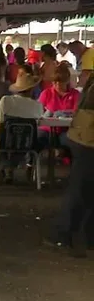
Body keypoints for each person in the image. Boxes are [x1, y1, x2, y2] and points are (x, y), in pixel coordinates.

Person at [48, 80, 94, 256]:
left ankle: (83, 236)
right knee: (81, 190)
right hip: (87, 138)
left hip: (82, 135)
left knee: (84, 189)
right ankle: (64, 233)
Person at [0, 71, 44, 183]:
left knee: (2, 143)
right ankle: (13, 168)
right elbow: (39, 124)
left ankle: (6, 168)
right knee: (23, 141)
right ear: (31, 89)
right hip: (29, 143)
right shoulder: (38, 105)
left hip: (7, 140)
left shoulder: (5, 100)